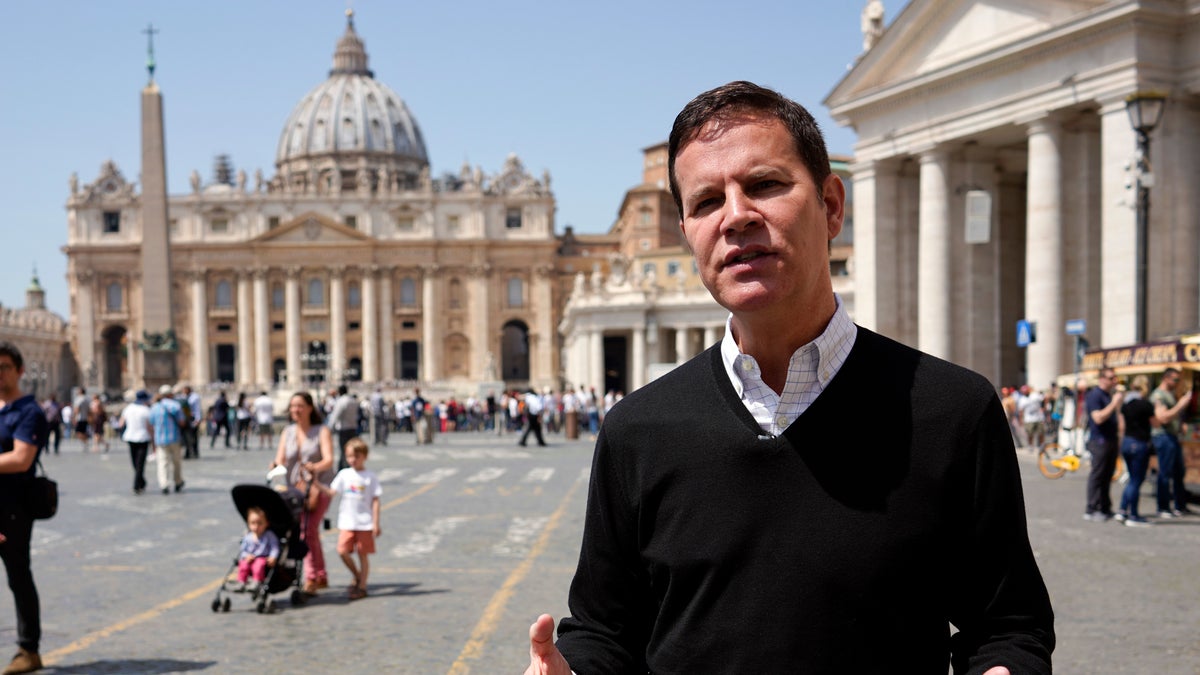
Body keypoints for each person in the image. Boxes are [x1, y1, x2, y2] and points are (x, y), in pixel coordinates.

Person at [525, 81, 1053, 674]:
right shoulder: (636, 430)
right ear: (688, 235)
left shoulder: (954, 411)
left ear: (831, 205)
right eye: (705, 202)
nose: (735, 217)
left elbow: (1009, 627)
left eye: (764, 185)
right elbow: (603, 630)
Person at [0, 342, 49, 674]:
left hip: (12, 507)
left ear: (19, 370)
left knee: (18, 576)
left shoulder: (29, 412)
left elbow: (21, 458)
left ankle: (28, 649)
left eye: (4, 366)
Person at [270, 392, 334, 595]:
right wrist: (275, 466)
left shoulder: (321, 431)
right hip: (294, 491)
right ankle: (320, 574)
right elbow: (280, 459)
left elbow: (329, 460)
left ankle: (311, 578)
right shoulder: (287, 432)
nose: (295, 410)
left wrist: (313, 467)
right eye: (292, 406)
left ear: (309, 408)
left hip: (318, 488)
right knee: (307, 532)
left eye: (299, 406)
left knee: (308, 530)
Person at [319, 437, 381, 600]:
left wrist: (375, 523)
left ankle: (362, 586)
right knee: (342, 551)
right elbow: (331, 492)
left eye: (356, 456)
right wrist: (315, 483)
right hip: (347, 521)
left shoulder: (370, 477)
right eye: (349, 456)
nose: (352, 460)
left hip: (364, 523)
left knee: (362, 554)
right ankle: (357, 574)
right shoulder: (344, 474)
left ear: (364, 456)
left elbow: (375, 500)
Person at [1149, 367, 1193, 518]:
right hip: (1163, 437)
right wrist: (1180, 405)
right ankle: (1163, 507)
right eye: (1175, 379)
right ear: (1166, 378)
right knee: (1165, 473)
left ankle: (1180, 505)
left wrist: (1180, 425)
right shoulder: (1158, 395)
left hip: (1172, 436)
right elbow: (1162, 418)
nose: (1177, 382)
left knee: (1179, 473)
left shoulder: (1170, 394)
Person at [1084, 368, 1124, 521]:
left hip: (1110, 439)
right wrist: (1114, 404)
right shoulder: (1095, 395)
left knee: (1108, 475)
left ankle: (1105, 507)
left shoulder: (1108, 395)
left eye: (1115, 377)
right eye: (1111, 378)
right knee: (1098, 474)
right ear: (1102, 379)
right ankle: (1091, 508)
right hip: (1099, 440)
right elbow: (1098, 418)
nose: (1114, 381)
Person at [1118, 375, 1156, 526]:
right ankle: (1133, 515)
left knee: (1131, 479)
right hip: (1139, 443)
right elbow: (1156, 423)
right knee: (1136, 480)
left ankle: (1122, 511)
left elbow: (1121, 427)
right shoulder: (1145, 404)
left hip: (1127, 442)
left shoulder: (1126, 404)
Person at [147, 385, 186, 495]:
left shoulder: (155, 407)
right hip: (175, 438)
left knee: (162, 463)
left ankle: (164, 484)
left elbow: (151, 423)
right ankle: (178, 482)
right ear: (171, 394)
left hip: (160, 439)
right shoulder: (175, 406)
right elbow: (182, 422)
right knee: (176, 462)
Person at [235, 506, 280, 593]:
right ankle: (241, 582)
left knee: (258, 565)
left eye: (260, 523)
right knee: (243, 564)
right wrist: (246, 556)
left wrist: (273, 557)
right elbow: (243, 550)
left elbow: (275, 547)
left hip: (262, 558)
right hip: (250, 558)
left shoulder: (269, 535)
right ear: (248, 523)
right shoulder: (248, 537)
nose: (256, 526)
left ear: (266, 523)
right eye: (253, 523)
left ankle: (257, 582)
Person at [118, 390, 153, 495]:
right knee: (140, 462)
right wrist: (153, 438)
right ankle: (137, 484)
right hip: (143, 438)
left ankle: (140, 482)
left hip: (130, 437)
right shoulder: (146, 410)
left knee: (134, 461)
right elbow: (149, 426)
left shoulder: (128, 409)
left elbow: (120, 424)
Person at [328, 384, 359, 470]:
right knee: (352, 450)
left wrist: (329, 428)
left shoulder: (341, 401)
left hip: (343, 429)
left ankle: (344, 469)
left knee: (344, 451)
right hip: (353, 428)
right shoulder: (353, 400)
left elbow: (335, 415)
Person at [179, 384, 202, 459]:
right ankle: (187, 453)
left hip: (193, 419)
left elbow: (197, 409)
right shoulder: (182, 396)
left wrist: (197, 419)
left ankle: (195, 452)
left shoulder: (195, 397)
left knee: (194, 437)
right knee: (186, 437)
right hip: (185, 419)